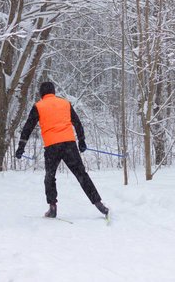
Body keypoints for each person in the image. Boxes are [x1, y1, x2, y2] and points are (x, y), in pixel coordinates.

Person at [15, 81, 109, 219]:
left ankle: (52, 208)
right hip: (69, 144)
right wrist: (81, 141)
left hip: (52, 147)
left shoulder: (38, 106)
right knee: (81, 174)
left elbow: (28, 128)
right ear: (54, 91)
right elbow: (77, 122)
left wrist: (21, 147)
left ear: (41, 93)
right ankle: (100, 205)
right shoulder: (65, 103)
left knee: (50, 177)